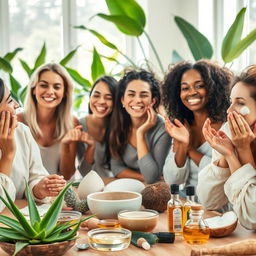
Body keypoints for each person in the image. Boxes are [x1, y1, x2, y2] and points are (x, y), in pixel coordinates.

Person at [197, 65, 256, 229]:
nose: (229, 110)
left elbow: (252, 217)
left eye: (240, 103)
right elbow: (209, 201)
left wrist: (242, 150)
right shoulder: (229, 131)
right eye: (231, 102)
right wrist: (226, 155)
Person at [162, 60, 232, 192]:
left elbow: (220, 174)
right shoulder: (182, 127)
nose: (192, 92)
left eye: (199, 86)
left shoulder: (226, 127)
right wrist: (182, 144)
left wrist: (190, 149)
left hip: (218, 207)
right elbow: (172, 181)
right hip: (188, 202)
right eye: (185, 88)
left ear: (213, 88)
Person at [0, 78, 66, 212]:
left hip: (21, 219)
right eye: (9, 101)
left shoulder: (22, 131)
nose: (17, 105)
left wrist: (39, 189)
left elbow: (35, 176)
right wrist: (7, 155)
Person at [109, 69, 171, 184]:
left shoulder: (163, 128)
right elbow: (116, 168)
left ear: (153, 101)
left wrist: (140, 134)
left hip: (155, 192)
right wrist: (141, 177)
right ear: (123, 100)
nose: (137, 100)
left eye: (144, 95)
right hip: (129, 186)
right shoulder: (119, 123)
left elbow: (152, 178)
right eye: (131, 94)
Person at [17, 63, 77, 180]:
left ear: (65, 93)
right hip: (28, 193)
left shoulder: (72, 123)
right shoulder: (18, 120)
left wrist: (65, 146)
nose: (50, 91)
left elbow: (67, 174)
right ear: (34, 89)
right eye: (44, 85)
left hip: (59, 192)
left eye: (57, 87)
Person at [75, 76, 118, 177]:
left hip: (117, 186)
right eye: (96, 95)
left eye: (108, 97)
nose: (101, 101)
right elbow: (84, 173)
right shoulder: (79, 126)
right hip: (91, 188)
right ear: (90, 97)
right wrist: (91, 147)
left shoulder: (120, 127)